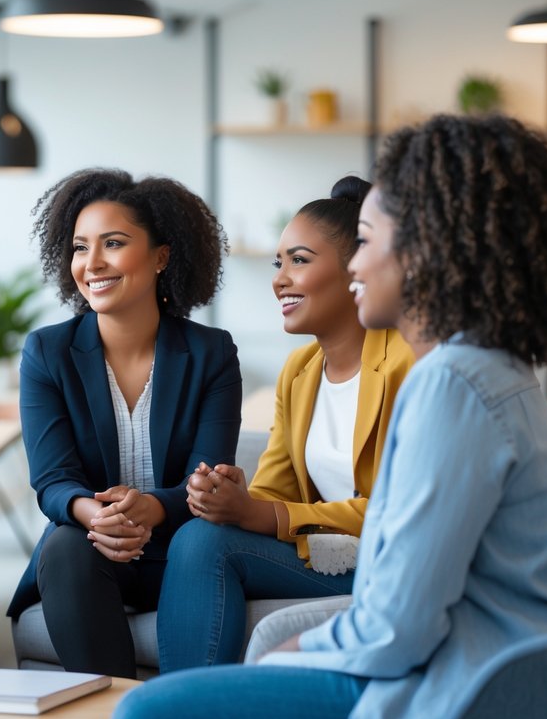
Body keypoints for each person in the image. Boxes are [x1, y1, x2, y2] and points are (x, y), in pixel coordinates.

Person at [108, 114, 547, 719]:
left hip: (472, 697)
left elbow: (394, 625)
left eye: (368, 241)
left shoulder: (448, 385)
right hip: (507, 684)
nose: (356, 263)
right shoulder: (486, 369)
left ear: (428, 250)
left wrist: (286, 657)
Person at [156, 176, 414, 672]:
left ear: (356, 267)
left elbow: (398, 511)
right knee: (200, 532)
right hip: (329, 553)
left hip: (392, 564)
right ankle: (190, 714)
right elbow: (276, 492)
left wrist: (264, 517)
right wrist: (235, 496)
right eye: (279, 263)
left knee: (203, 543)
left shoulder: (407, 361)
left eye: (299, 260)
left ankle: (184, 714)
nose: (279, 278)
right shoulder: (299, 372)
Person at [7, 167, 243, 678]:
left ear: (161, 257)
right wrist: (95, 515)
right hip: (91, 550)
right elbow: (51, 480)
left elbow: (209, 475)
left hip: (183, 553)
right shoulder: (47, 352)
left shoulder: (212, 353)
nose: (91, 264)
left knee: (201, 545)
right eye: (78, 247)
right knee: (68, 542)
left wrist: (154, 508)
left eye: (112, 243)